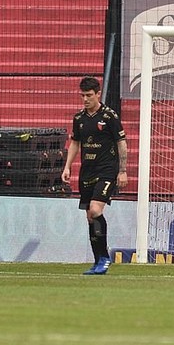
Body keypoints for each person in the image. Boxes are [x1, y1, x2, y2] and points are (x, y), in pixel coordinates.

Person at [61, 76, 127, 275]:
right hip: (86, 171)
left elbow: (121, 143)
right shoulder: (79, 118)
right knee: (90, 217)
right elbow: (75, 143)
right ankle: (99, 260)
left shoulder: (109, 116)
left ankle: (104, 258)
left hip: (107, 170)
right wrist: (67, 167)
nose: (85, 99)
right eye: (82, 95)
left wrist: (122, 171)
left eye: (89, 95)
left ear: (98, 94)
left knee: (96, 210)